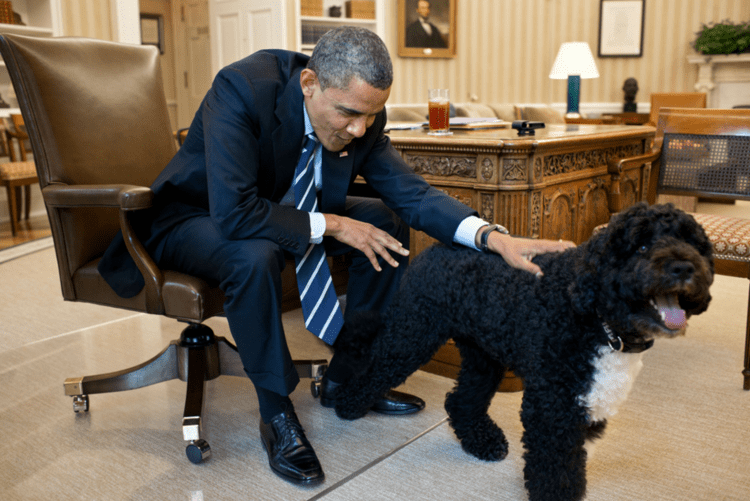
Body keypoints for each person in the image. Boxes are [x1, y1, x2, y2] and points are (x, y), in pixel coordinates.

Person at [98, 26, 572, 486]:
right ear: (309, 84)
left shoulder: (363, 115)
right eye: (348, 113)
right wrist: (337, 224)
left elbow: (413, 194)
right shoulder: (241, 88)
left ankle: (350, 378)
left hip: (283, 208)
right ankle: (277, 415)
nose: (359, 128)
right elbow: (235, 213)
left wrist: (491, 236)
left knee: (385, 218)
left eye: (370, 116)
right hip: (192, 217)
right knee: (254, 254)